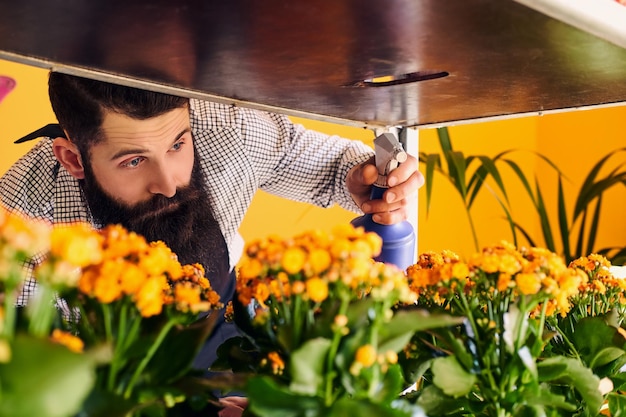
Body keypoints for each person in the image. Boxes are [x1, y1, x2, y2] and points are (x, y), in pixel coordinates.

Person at [0, 71, 423, 415]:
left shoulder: (225, 130)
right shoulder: (18, 234)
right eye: (133, 160)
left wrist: (363, 178)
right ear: (73, 159)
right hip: (99, 380)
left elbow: (333, 167)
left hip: (226, 324)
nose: (169, 183)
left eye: (177, 144)